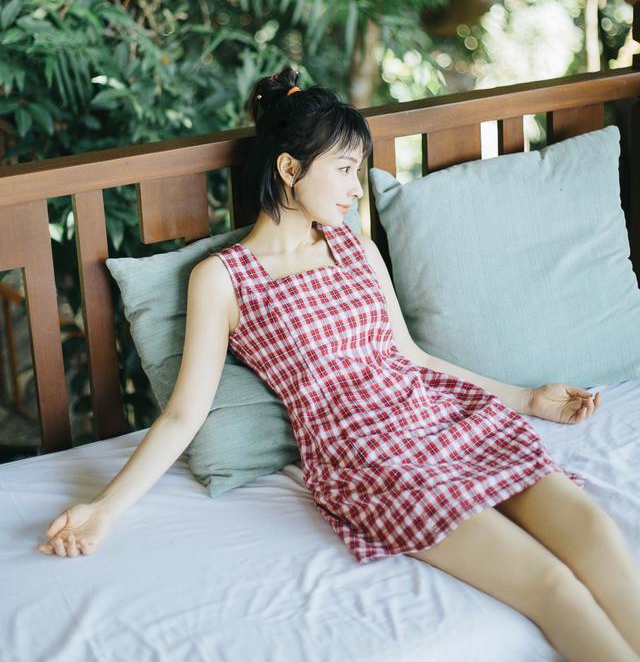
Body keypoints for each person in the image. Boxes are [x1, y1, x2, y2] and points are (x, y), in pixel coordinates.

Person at [38, 66, 640, 662]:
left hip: (445, 418)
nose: (357, 187)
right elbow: (183, 415)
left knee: (596, 535)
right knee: (553, 588)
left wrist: (526, 399)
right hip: (370, 458)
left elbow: (410, 356)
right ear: (289, 169)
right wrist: (104, 509)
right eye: (346, 169)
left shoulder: (355, 247)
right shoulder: (222, 279)